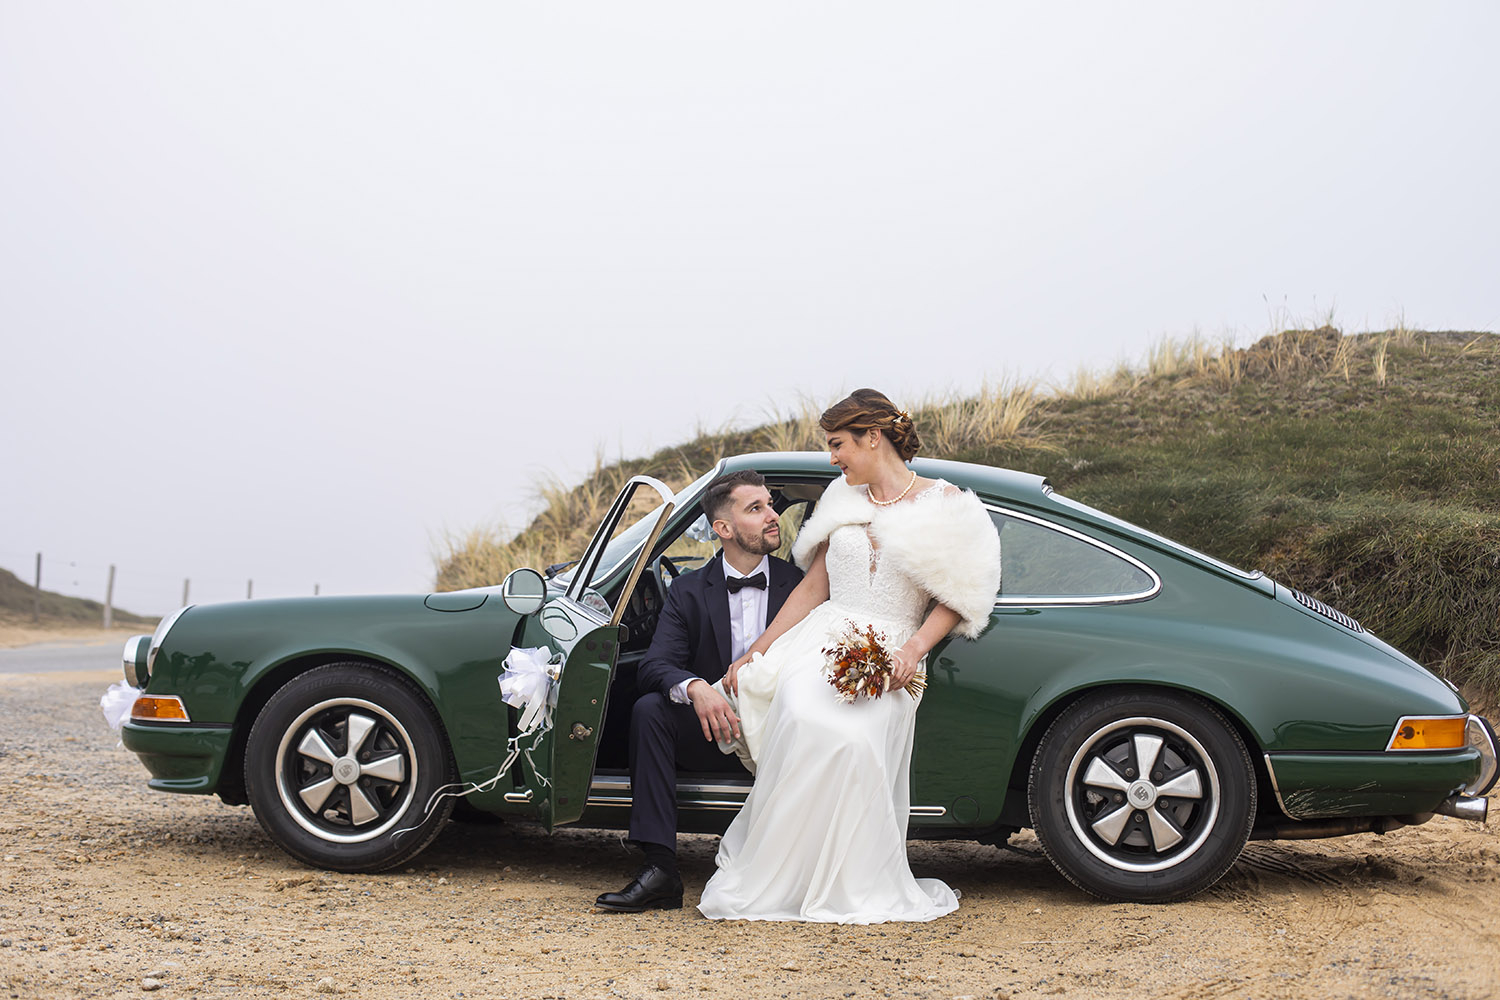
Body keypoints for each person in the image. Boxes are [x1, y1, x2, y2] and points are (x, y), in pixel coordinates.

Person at [698, 389, 1002, 923]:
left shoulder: (948, 504)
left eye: (838, 444)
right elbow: (814, 586)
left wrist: (913, 650)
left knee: (855, 740)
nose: (833, 457)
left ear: (873, 437)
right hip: (824, 639)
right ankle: (786, 876)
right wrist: (757, 650)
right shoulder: (841, 497)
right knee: (802, 716)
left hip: (893, 651)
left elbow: (959, 595)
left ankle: (850, 881)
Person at [594, 470, 804, 912]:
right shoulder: (688, 590)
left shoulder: (799, 585)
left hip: (784, 732)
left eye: (770, 505)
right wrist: (696, 688)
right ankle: (660, 868)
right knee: (650, 710)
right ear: (723, 528)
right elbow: (655, 664)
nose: (773, 516)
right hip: (717, 732)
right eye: (757, 508)